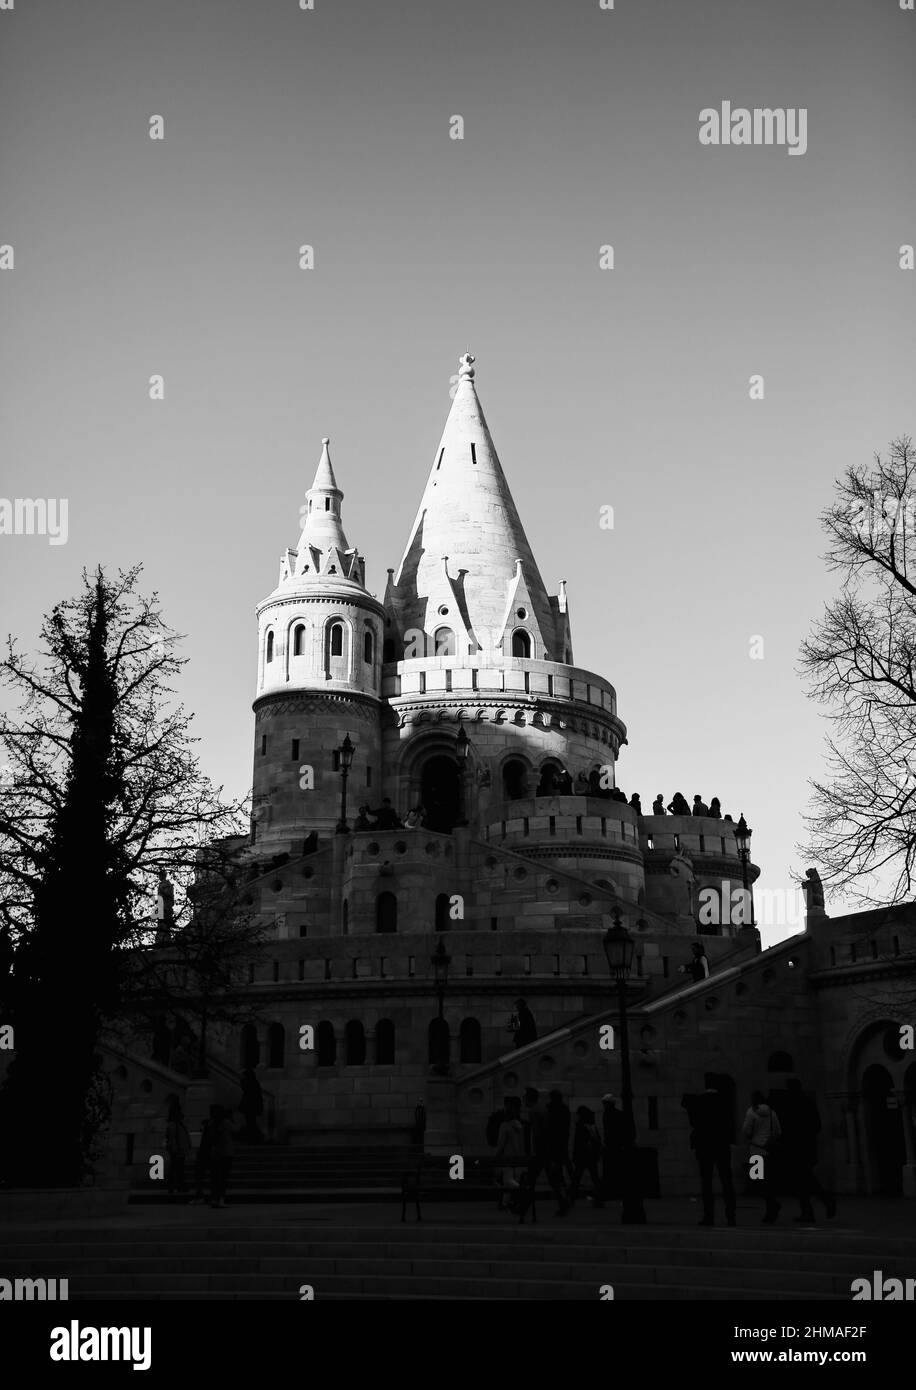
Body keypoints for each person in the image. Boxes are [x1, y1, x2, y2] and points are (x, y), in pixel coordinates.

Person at [774, 1079, 836, 1222]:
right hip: (807, 1148)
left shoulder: (789, 1104)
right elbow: (817, 1125)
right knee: (804, 1179)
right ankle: (814, 1208)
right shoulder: (808, 1102)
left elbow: (785, 1127)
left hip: (795, 1148)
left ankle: (819, 1204)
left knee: (803, 1180)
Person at [683, 1078, 736, 1227]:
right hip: (721, 1145)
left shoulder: (700, 1101)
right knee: (727, 1180)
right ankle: (731, 1216)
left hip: (704, 1146)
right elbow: (729, 1123)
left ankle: (709, 1216)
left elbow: (693, 1122)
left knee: (706, 1182)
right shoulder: (724, 1101)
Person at [523, 1087, 569, 1215]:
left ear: (528, 1098)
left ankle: (523, 1207)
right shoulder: (541, 1108)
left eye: (525, 1097)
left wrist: (536, 1151)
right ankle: (562, 1202)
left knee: (531, 1180)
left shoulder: (534, 1111)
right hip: (547, 1151)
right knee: (552, 1180)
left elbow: (539, 1133)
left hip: (541, 1152)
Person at [742, 1089, 782, 1223]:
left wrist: (752, 1136)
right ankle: (771, 1209)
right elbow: (777, 1132)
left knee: (757, 1181)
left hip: (756, 1151)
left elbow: (746, 1131)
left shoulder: (751, 1112)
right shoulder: (772, 1113)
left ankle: (772, 1206)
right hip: (769, 1151)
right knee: (767, 1182)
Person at [494, 1096, 526, 1209]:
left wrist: (496, 1157)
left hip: (507, 1157)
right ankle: (506, 1202)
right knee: (511, 1180)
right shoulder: (520, 1125)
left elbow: (501, 1144)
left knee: (507, 1181)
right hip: (518, 1157)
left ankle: (509, 1201)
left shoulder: (505, 1126)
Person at [570, 1106, 603, 1204]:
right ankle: (600, 1195)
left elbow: (578, 1143)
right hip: (590, 1156)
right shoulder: (591, 1126)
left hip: (583, 1156)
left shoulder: (581, 1126)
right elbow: (597, 1140)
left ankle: (572, 1196)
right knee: (594, 1177)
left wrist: (575, 1155)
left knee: (577, 1177)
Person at [546, 1090, 574, 1188]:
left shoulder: (549, 1108)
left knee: (555, 1160)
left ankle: (559, 1180)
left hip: (553, 1138)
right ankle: (569, 1179)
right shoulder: (564, 1108)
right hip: (562, 1138)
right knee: (564, 1160)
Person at [208, 1104, 234, 1209]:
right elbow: (236, 1130)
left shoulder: (211, 1124)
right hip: (226, 1153)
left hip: (215, 1153)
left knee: (215, 1177)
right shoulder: (226, 1123)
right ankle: (220, 1198)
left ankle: (215, 1198)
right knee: (223, 1177)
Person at [600, 1094, 625, 1200]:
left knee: (611, 1169)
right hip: (615, 1145)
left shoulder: (608, 1115)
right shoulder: (617, 1114)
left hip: (612, 1145)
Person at [165, 1096, 191, 1195]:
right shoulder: (173, 1125)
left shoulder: (179, 1124)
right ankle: (175, 1186)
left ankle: (178, 1186)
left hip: (180, 1149)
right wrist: (176, 1150)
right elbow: (172, 1139)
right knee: (176, 1169)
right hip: (177, 1150)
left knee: (179, 1169)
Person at [189, 1117, 212, 1205]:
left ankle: (199, 1196)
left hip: (204, 1157)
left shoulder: (207, 1133)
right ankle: (202, 1196)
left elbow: (204, 1146)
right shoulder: (208, 1133)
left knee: (199, 1178)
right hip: (206, 1157)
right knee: (200, 1178)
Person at [238, 1068, 264, 1142]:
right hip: (252, 1106)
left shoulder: (251, 1083)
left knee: (251, 1122)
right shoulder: (254, 1083)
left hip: (250, 1106)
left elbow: (246, 1091)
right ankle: (255, 1136)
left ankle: (255, 1137)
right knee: (251, 1122)